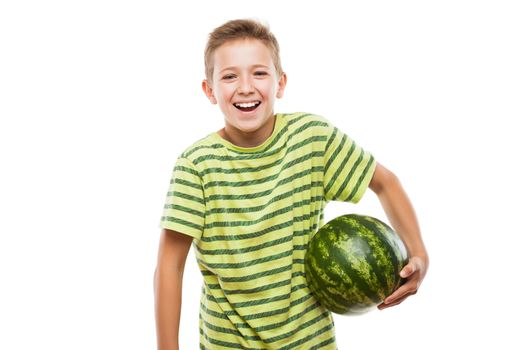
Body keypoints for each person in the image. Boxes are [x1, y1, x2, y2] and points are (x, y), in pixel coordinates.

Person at [154, 18, 428, 350]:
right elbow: (170, 266)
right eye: (229, 76)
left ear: (280, 83)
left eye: (259, 73)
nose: (245, 87)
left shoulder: (311, 138)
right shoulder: (196, 165)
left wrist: (419, 255)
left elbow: (385, 183)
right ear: (209, 90)